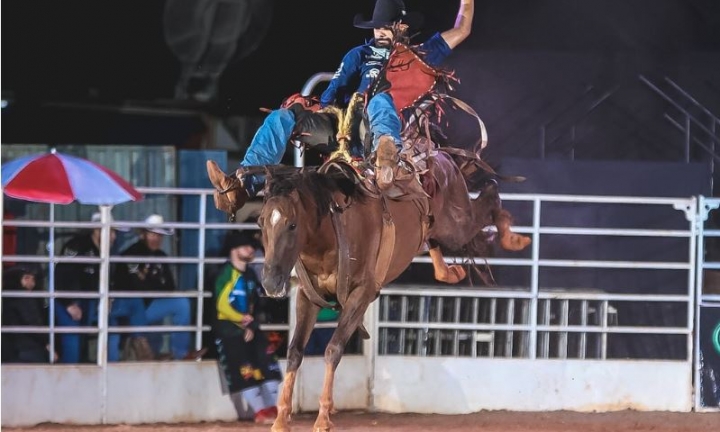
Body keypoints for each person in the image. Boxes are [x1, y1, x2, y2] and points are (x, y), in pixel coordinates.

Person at [207, 0, 475, 213]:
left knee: (380, 99)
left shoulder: (420, 56)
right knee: (280, 118)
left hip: (381, 128)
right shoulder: (359, 55)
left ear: (401, 27)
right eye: (377, 26)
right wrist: (316, 110)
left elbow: (462, 29)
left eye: (386, 26)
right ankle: (242, 185)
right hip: (343, 126)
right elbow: (330, 95)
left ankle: (386, 160)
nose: (380, 31)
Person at [55, 212, 153, 363]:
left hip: (97, 302)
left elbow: (114, 281)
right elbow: (60, 277)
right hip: (70, 302)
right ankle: (71, 375)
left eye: (114, 232)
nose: (114, 236)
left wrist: (110, 297)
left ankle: (140, 349)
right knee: (72, 340)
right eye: (111, 231)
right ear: (96, 230)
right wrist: (69, 303)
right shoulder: (76, 246)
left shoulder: (110, 252)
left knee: (130, 305)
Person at [113, 214, 205, 361]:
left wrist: (151, 283)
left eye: (159, 235)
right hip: (131, 308)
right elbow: (135, 286)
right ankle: (148, 353)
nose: (156, 238)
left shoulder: (161, 255)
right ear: (143, 234)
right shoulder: (131, 254)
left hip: (149, 306)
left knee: (181, 303)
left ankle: (180, 353)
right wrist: (155, 283)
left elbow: (170, 286)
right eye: (152, 234)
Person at [213, 230, 282, 424]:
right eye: (246, 246)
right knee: (244, 371)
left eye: (252, 247)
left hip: (249, 328)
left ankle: (272, 408)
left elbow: (254, 303)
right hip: (230, 330)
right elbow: (222, 305)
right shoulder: (226, 273)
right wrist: (243, 321)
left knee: (269, 366)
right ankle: (260, 411)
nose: (251, 250)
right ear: (234, 250)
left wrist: (250, 324)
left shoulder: (250, 274)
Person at [1, 266, 57, 363]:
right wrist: (46, 343)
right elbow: (33, 324)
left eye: (33, 278)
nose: (31, 282)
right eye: (26, 278)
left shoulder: (6, 300)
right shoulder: (24, 300)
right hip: (28, 350)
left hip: (10, 351)